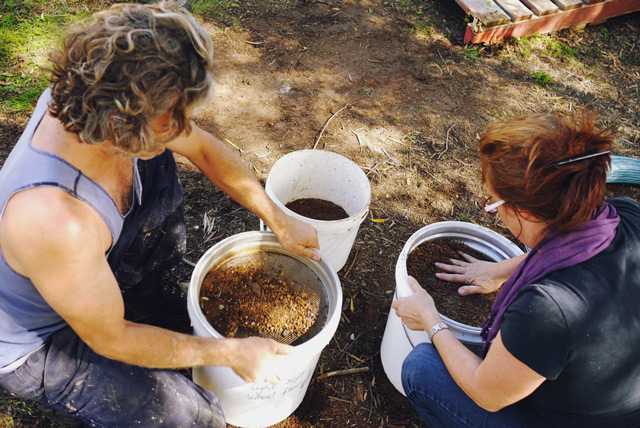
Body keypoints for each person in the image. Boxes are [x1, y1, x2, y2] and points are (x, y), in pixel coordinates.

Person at [0, 2, 321, 427]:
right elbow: (110, 337)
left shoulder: (96, 95)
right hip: (41, 341)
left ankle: (141, 296)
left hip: (83, 274)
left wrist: (275, 216)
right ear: (122, 122)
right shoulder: (56, 221)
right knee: (192, 416)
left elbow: (203, 149)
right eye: (173, 119)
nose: (186, 126)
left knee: (157, 161)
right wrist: (229, 352)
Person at [393, 113, 640, 428]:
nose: (493, 212)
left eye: (493, 203)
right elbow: (571, 253)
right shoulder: (626, 214)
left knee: (422, 368)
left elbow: (486, 393)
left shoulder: (547, 311)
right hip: (618, 403)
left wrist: (431, 320)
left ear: (523, 210)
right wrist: (498, 272)